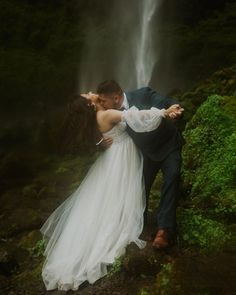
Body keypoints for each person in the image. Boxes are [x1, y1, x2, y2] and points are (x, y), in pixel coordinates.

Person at [40, 93, 182, 291]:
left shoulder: (95, 120)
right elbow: (137, 116)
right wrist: (164, 112)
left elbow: (98, 139)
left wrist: (100, 144)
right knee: (120, 192)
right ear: (90, 103)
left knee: (108, 197)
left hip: (112, 158)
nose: (91, 91)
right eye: (87, 94)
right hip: (122, 157)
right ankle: (119, 227)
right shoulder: (106, 115)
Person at [96, 80, 184, 249]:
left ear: (115, 97)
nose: (101, 104)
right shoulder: (111, 112)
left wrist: (175, 108)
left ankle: (164, 230)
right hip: (146, 153)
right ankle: (137, 224)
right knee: (139, 186)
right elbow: (100, 126)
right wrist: (100, 143)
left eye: (104, 101)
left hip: (168, 144)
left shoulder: (143, 94)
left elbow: (166, 101)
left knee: (172, 176)